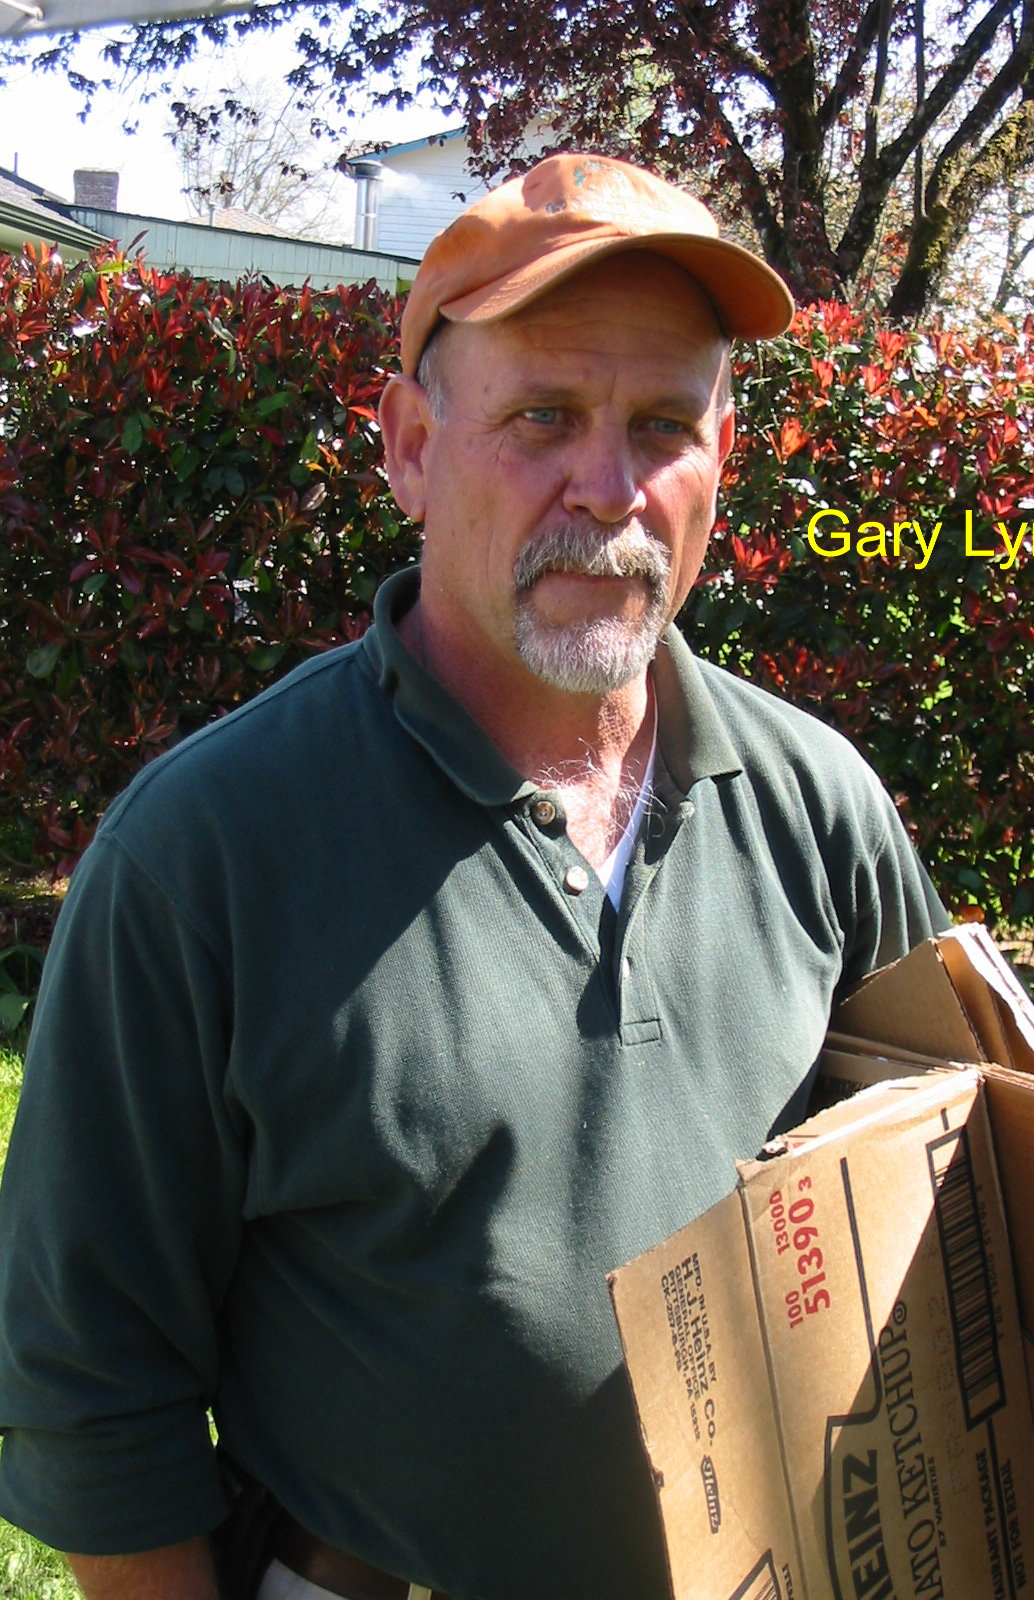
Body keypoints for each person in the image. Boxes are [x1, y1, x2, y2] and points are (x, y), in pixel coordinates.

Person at [0, 153, 945, 1600]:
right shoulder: (207, 852)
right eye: (543, 416)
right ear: (408, 448)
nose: (610, 487)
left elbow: (956, 1213)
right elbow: (90, 1385)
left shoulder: (819, 807)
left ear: (723, 460)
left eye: (663, 425)